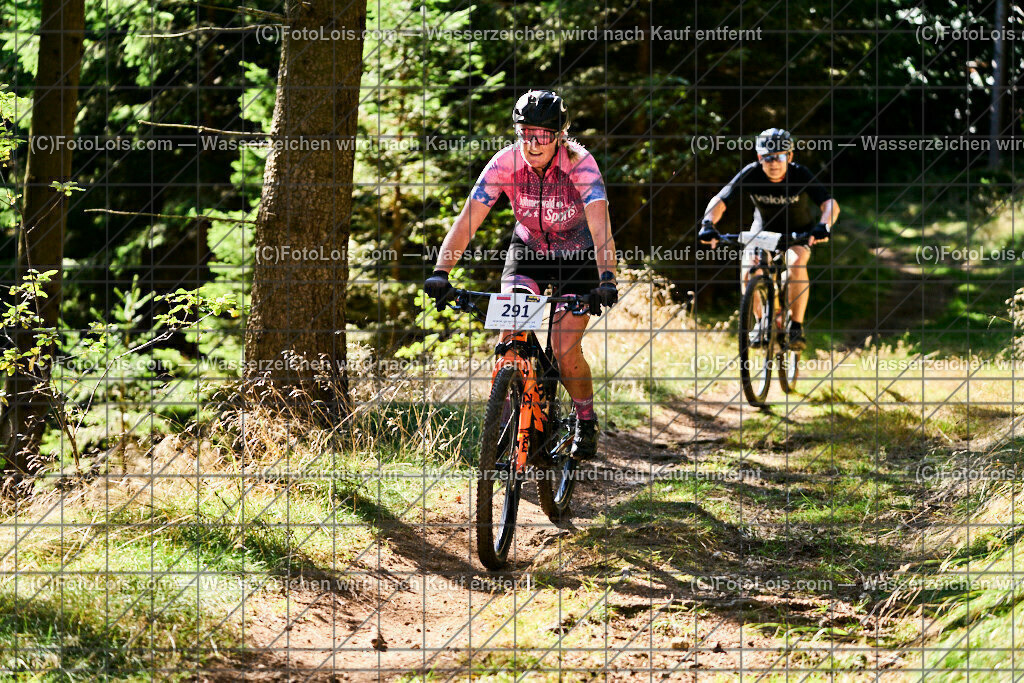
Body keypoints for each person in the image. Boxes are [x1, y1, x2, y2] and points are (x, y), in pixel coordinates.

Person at [423, 90, 618, 461]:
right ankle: (512, 419)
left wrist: (606, 278)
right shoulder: (504, 164)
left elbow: (601, 229)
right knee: (510, 334)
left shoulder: (582, 165)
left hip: (578, 257)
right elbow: (468, 220)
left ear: (560, 135)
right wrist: (441, 271)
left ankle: (585, 420)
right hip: (528, 252)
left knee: (563, 349)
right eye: (526, 132)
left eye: (543, 135)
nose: (533, 143)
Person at [698, 128, 839, 350]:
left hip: (797, 233)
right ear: (759, 157)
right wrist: (707, 224)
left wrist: (824, 225)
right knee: (750, 269)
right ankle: (762, 322)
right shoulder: (752, 173)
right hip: (762, 233)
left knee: (795, 261)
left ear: (790, 157)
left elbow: (829, 204)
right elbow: (722, 199)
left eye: (780, 156)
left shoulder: (800, 174)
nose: (774, 163)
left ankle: (796, 327)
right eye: (768, 157)